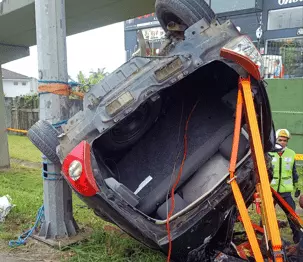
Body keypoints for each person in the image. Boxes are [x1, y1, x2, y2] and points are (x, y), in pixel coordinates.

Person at [270, 129, 301, 244]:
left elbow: (294, 172)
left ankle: (298, 239)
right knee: (267, 216)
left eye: (285, 140)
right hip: (270, 190)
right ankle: (265, 236)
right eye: (280, 140)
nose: (282, 142)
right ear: (275, 140)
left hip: (285, 191)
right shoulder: (269, 153)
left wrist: (297, 187)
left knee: (292, 215)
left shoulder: (291, 153)